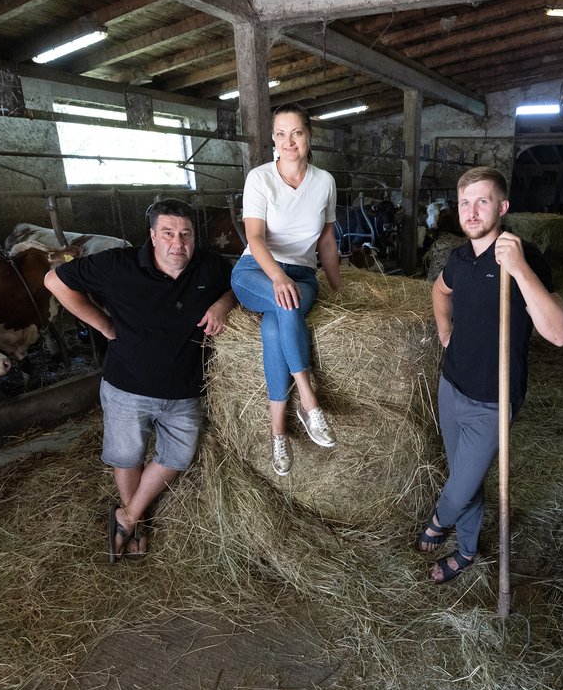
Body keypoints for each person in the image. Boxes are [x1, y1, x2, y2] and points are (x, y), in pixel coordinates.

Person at [45, 198, 235, 562]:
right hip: (127, 386)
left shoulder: (210, 267)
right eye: (167, 233)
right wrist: (102, 325)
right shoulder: (119, 265)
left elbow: (238, 284)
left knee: (178, 456)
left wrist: (222, 303)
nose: (177, 243)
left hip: (185, 389)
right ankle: (139, 524)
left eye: (185, 234)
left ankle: (128, 517)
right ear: (152, 235)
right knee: (127, 456)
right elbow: (54, 279)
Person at [418, 167, 563, 583]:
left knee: (461, 487)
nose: (471, 211)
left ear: (502, 207)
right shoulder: (459, 257)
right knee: (463, 480)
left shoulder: (526, 257)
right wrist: (444, 329)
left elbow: (559, 333)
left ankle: (438, 522)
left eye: (482, 201)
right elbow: (440, 290)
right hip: (451, 387)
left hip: (493, 398)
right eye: (465, 203)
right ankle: (467, 551)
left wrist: (519, 269)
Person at [231, 103, 342, 476]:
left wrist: (340, 291)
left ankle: (277, 431)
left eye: (296, 132)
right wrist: (277, 276)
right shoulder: (259, 178)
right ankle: (309, 402)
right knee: (286, 302)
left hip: (304, 275)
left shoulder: (325, 181)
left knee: (276, 324)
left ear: (309, 135)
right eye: (280, 133)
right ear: (273, 139)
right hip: (256, 271)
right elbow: (255, 237)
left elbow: (326, 242)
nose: (288, 141)